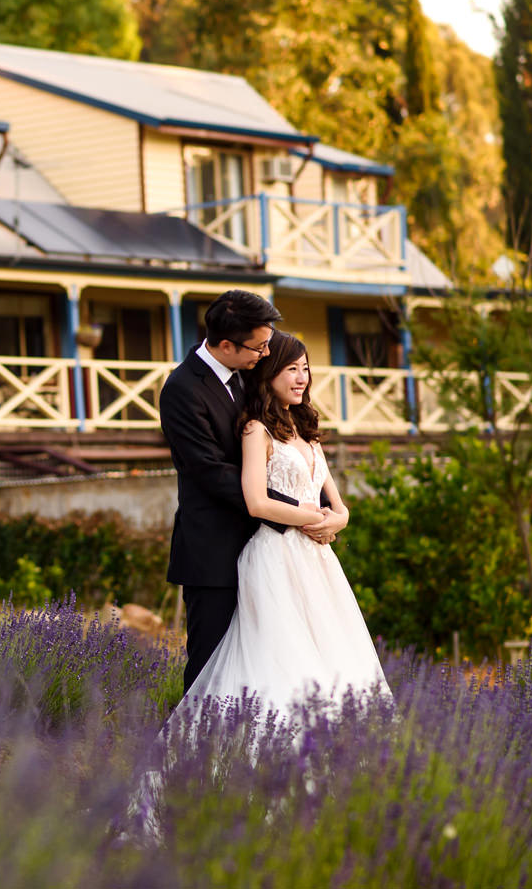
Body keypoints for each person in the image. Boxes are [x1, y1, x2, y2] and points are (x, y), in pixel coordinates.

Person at [181, 330, 389, 714]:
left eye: (305, 369)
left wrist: (339, 520)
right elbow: (256, 502)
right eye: (291, 369)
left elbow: (335, 502)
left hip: (318, 560)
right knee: (282, 656)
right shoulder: (255, 430)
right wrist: (310, 519)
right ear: (269, 374)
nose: (301, 378)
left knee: (332, 652)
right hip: (275, 555)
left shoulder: (308, 431)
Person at [159, 290, 338, 694]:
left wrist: (325, 509)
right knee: (212, 667)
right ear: (227, 345)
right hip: (216, 550)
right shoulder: (182, 390)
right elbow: (209, 472)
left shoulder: (250, 376)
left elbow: (286, 450)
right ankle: (199, 753)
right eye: (259, 346)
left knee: (274, 664)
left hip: (275, 552)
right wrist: (296, 511)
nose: (265, 353)